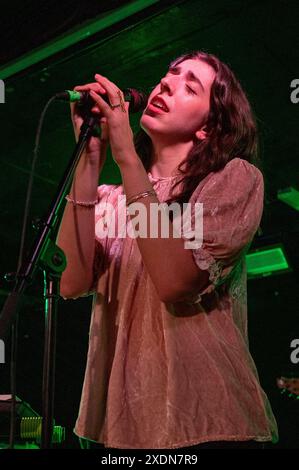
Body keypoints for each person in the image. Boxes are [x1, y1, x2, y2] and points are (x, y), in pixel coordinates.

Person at [56, 51, 278, 449]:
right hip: (123, 427)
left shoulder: (231, 180)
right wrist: (90, 163)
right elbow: (70, 283)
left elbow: (177, 283)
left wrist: (125, 155)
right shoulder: (110, 199)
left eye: (190, 86)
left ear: (209, 127)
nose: (166, 85)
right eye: (169, 76)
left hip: (208, 425)